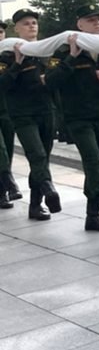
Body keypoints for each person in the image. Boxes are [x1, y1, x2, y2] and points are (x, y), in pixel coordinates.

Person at [45, 4, 99, 232]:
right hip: (78, 117)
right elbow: (50, 81)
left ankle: (92, 216)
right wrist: (71, 59)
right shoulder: (63, 51)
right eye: (90, 20)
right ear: (79, 24)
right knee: (93, 163)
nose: (97, 23)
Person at [0, 9, 61, 220]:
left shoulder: (46, 52)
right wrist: (17, 64)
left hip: (46, 110)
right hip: (22, 114)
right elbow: (2, 85)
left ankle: (36, 204)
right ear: (16, 28)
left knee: (43, 158)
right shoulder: (6, 55)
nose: (31, 26)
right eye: (26, 23)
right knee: (37, 155)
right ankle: (48, 188)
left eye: (34, 22)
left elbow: (59, 78)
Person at [0, 21, 21, 209]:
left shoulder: (10, 57)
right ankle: (9, 182)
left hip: (7, 110)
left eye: (0, 32)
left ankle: (2, 192)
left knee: (7, 148)